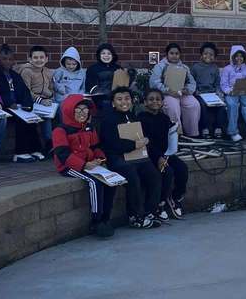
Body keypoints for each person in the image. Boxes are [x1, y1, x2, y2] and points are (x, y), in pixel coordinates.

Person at [99, 87, 163, 229]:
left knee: (154, 175)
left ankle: (150, 212)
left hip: (136, 155)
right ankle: (136, 216)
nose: (124, 102)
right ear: (113, 103)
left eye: (127, 98)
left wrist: (144, 140)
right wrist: (135, 144)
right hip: (116, 157)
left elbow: (141, 137)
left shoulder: (133, 116)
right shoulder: (108, 120)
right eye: (119, 99)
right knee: (132, 176)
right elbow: (113, 143)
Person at [52, 94, 115, 237]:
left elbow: (95, 146)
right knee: (94, 182)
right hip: (69, 167)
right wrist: (84, 165)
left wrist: (100, 158)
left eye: (85, 109)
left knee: (111, 181)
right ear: (69, 111)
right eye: (78, 110)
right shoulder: (60, 130)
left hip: (91, 163)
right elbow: (62, 154)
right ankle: (96, 221)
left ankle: (106, 217)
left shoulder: (89, 127)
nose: (82, 113)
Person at [140, 89, 189, 219]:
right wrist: (158, 157)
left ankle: (175, 197)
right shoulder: (141, 119)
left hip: (166, 153)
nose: (155, 101)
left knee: (182, 168)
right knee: (167, 172)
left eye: (158, 99)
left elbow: (168, 137)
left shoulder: (164, 118)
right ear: (145, 102)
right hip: (150, 155)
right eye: (151, 99)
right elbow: (146, 142)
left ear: (162, 102)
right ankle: (160, 202)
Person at [0, 44, 44, 162]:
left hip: (19, 107)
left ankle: (34, 149)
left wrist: (28, 104)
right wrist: (9, 103)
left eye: (10, 59)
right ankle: (20, 152)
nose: (7, 62)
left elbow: (25, 91)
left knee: (32, 120)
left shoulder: (15, 75)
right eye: (4, 59)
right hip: (4, 106)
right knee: (21, 120)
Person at [149, 43, 201, 138]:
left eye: (176, 53)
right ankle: (177, 134)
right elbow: (154, 82)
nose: (174, 56)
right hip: (167, 93)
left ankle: (192, 134)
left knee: (193, 104)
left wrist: (187, 90)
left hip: (182, 93)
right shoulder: (160, 66)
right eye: (171, 53)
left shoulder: (184, 67)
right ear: (167, 54)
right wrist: (167, 90)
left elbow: (192, 83)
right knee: (172, 106)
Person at [18, 44, 55, 151]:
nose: (39, 60)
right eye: (35, 57)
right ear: (29, 59)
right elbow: (26, 91)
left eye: (41, 57)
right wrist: (41, 100)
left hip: (47, 102)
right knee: (46, 118)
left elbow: (51, 88)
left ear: (46, 59)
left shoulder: (48, 72)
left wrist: (51, 97)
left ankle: (61, 141)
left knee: (61, 112)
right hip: (32, 102)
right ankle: (48, 143)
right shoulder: (26, 72)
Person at [220, 44, 246, 143]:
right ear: (232, 57)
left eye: (241, 56)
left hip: (244, 92)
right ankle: (233, 132)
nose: (239, 58)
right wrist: (229, 91)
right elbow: (223, 84)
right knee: (232, 104)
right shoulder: (227, 69)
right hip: (232, 92)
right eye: (236, 56)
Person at [190, 42, 228, 139]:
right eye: (206, 54)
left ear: (214, 57)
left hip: (212, 93)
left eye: (211, 55)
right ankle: (205, 128)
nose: (208, 56)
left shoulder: (214, 68)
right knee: (203, 105)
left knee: (221, 105)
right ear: (201, 55)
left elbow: (217, 83)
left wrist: (218, 93)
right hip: (200, 93)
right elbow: (191, 82)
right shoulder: (195, 67)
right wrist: (195, 91)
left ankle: (218, 128)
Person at [85, 42, 124, 115]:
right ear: (99, 55)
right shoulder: (93, 69)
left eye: (109, 53)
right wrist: (108, 95)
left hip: (118, 98)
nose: (106, 56)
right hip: (100, 99)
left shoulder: (118, 68)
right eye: (103, 53)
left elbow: (123, 84)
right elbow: (90, 87)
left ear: (113, 55)